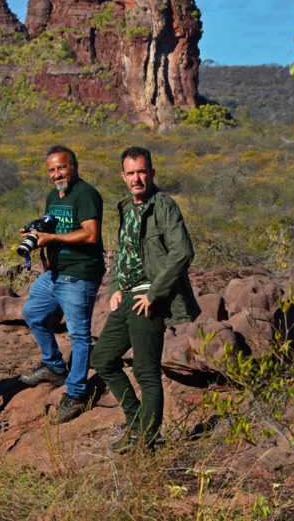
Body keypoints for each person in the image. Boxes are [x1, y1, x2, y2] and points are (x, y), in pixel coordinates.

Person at [92, 147, 200, 450]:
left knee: (146, 370)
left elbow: (183, 252)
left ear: (151, 173)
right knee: (102, 359)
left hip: (149, 298)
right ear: (123, 176)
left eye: (141, 171)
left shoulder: (163, 206)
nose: (136, 178)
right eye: (130, 173)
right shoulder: (126, 207)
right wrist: (115, 286)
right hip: (127, 297)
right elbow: (124, 252)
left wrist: (155, 294)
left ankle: (148, 438)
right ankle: (137, 422)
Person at [18, 145, 104, 424]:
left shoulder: (86, 194)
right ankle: (54, 367)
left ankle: (77, 393)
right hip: (55, 273)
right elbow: (52, 227)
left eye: (61, 168)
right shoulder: (52, 196)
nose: (57, 174)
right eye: (52, 170)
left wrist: (52, 240)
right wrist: (36, 233)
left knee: (79, 335)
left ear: (74, 167)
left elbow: (90, 235)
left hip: (79, 274)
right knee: (33, 313)